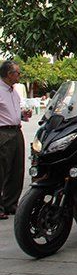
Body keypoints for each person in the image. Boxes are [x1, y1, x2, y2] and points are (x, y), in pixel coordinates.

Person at [0, 61, 31, 220]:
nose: (19, 75)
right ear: (9, 74)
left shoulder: (14, 91)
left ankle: (10, 204)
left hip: (16, 130)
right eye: (17, 73)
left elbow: (13, 112)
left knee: (17, 169)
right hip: (3, 133)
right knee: (2, 169)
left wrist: (23, 115)